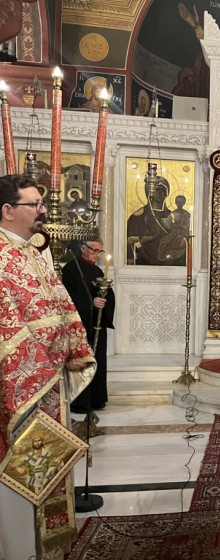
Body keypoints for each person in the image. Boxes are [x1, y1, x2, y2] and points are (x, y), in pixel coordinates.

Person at [0, 174, 95, 560]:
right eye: (35, 204)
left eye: (41, 203)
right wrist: (42, 364)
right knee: (19, 478)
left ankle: (45, 549)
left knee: (48, 470)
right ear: (8, 211)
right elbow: (7, 328)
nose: (43, 210)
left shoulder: (32, 254)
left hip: (50, 384)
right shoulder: (1, 258)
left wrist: (74, 350)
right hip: (20, 390)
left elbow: (62, 306)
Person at [62, 238, 116, 413]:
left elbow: (108, 295)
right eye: (94, 250)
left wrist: (104, 300)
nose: (97, 255)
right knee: (83, 358)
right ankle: (80, 401)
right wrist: (91, 303)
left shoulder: (97, 270)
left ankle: (96, 399)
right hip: (80, 324)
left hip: (96, 324)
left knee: (97, 358)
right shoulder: (71, 268)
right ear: (83, 248)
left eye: (100, 252)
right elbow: (67, 297)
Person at [126, 175, 173, 265]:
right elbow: (129, 245)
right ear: (149, 192)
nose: (160, 193)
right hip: (142, 263)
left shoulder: (173, 217)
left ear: (166, 193)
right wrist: (141, 241)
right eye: (156, 189)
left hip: (169, 264)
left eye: (163, 190)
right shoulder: (137, 218)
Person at [158, 194, 191, 265]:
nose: (179, 204)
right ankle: (165, 259)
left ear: (184, 203)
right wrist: (163, 220)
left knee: (177, 244)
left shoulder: (186, 214)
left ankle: (172, 260)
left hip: (181, 234)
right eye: (178, 202)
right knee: (163, 242)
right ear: (175, 202)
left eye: (181, 202)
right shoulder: (172, 213)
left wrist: (183, 234)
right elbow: (168, 225)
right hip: (172, 233)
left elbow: (187, 226)